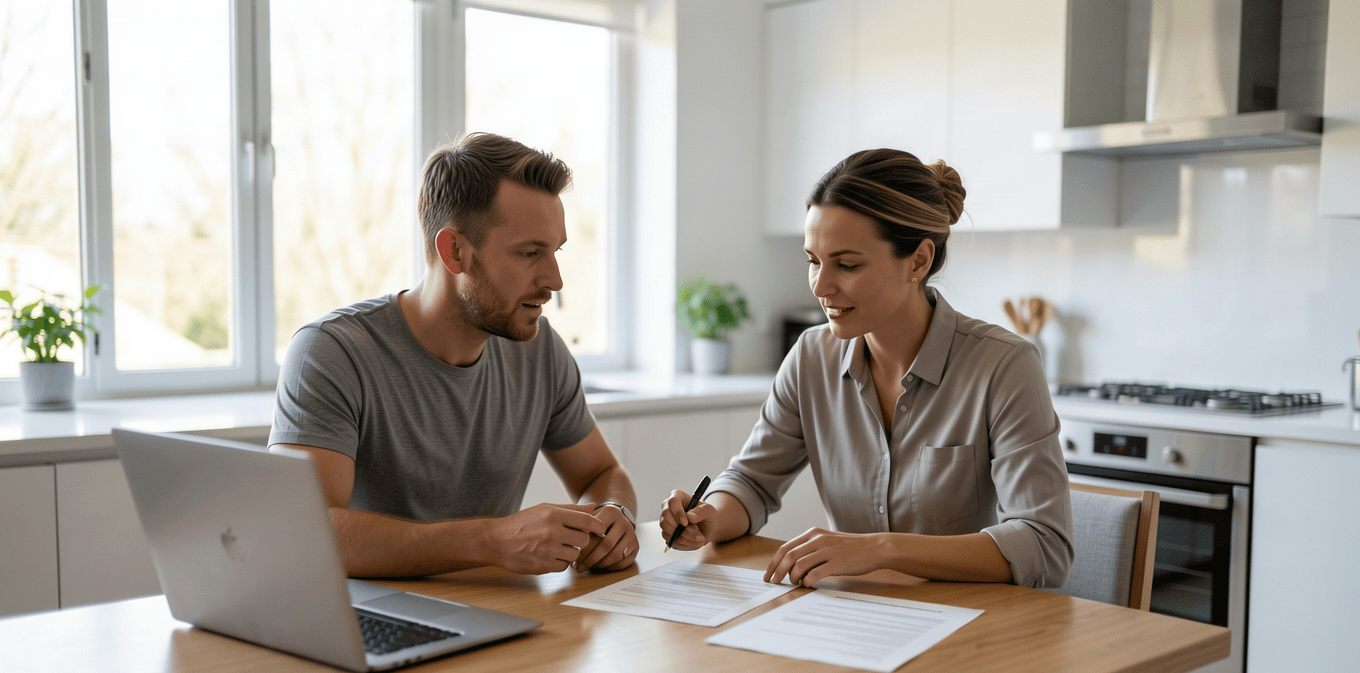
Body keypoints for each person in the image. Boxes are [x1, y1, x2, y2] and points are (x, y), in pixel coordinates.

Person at [660, 148, 1072, 590]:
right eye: (813, 261)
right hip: (854, 623)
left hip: (971, 632)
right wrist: (710, 516)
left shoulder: (1004, 366)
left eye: (847, 264)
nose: (821, 286)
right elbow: (750, 482)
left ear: (918, 260)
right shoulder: (810, 358)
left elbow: (1042, 544)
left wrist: (879, 548)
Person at [270, 133, 638, 579]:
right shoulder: (332, 353)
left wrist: (613, 512)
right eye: (529, 253)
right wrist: (491, 541)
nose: (555, 280)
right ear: (455, 251)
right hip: (363, 621)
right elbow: (304, 531)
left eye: (555, 252)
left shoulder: (540, 350)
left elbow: (600, 472)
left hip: (496, 615)